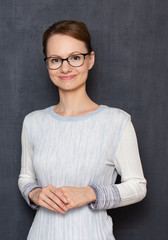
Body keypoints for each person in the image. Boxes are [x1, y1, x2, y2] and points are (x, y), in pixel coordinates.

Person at [18, 20, 147, 239]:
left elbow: (137, 187)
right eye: (56, 60)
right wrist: (35, 193)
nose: (65, 68)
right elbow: (25, 177)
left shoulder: (117, 122)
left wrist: (89, 193)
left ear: (90, 60)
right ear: (47, 64)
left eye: (75, 57)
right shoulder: (33, 122)